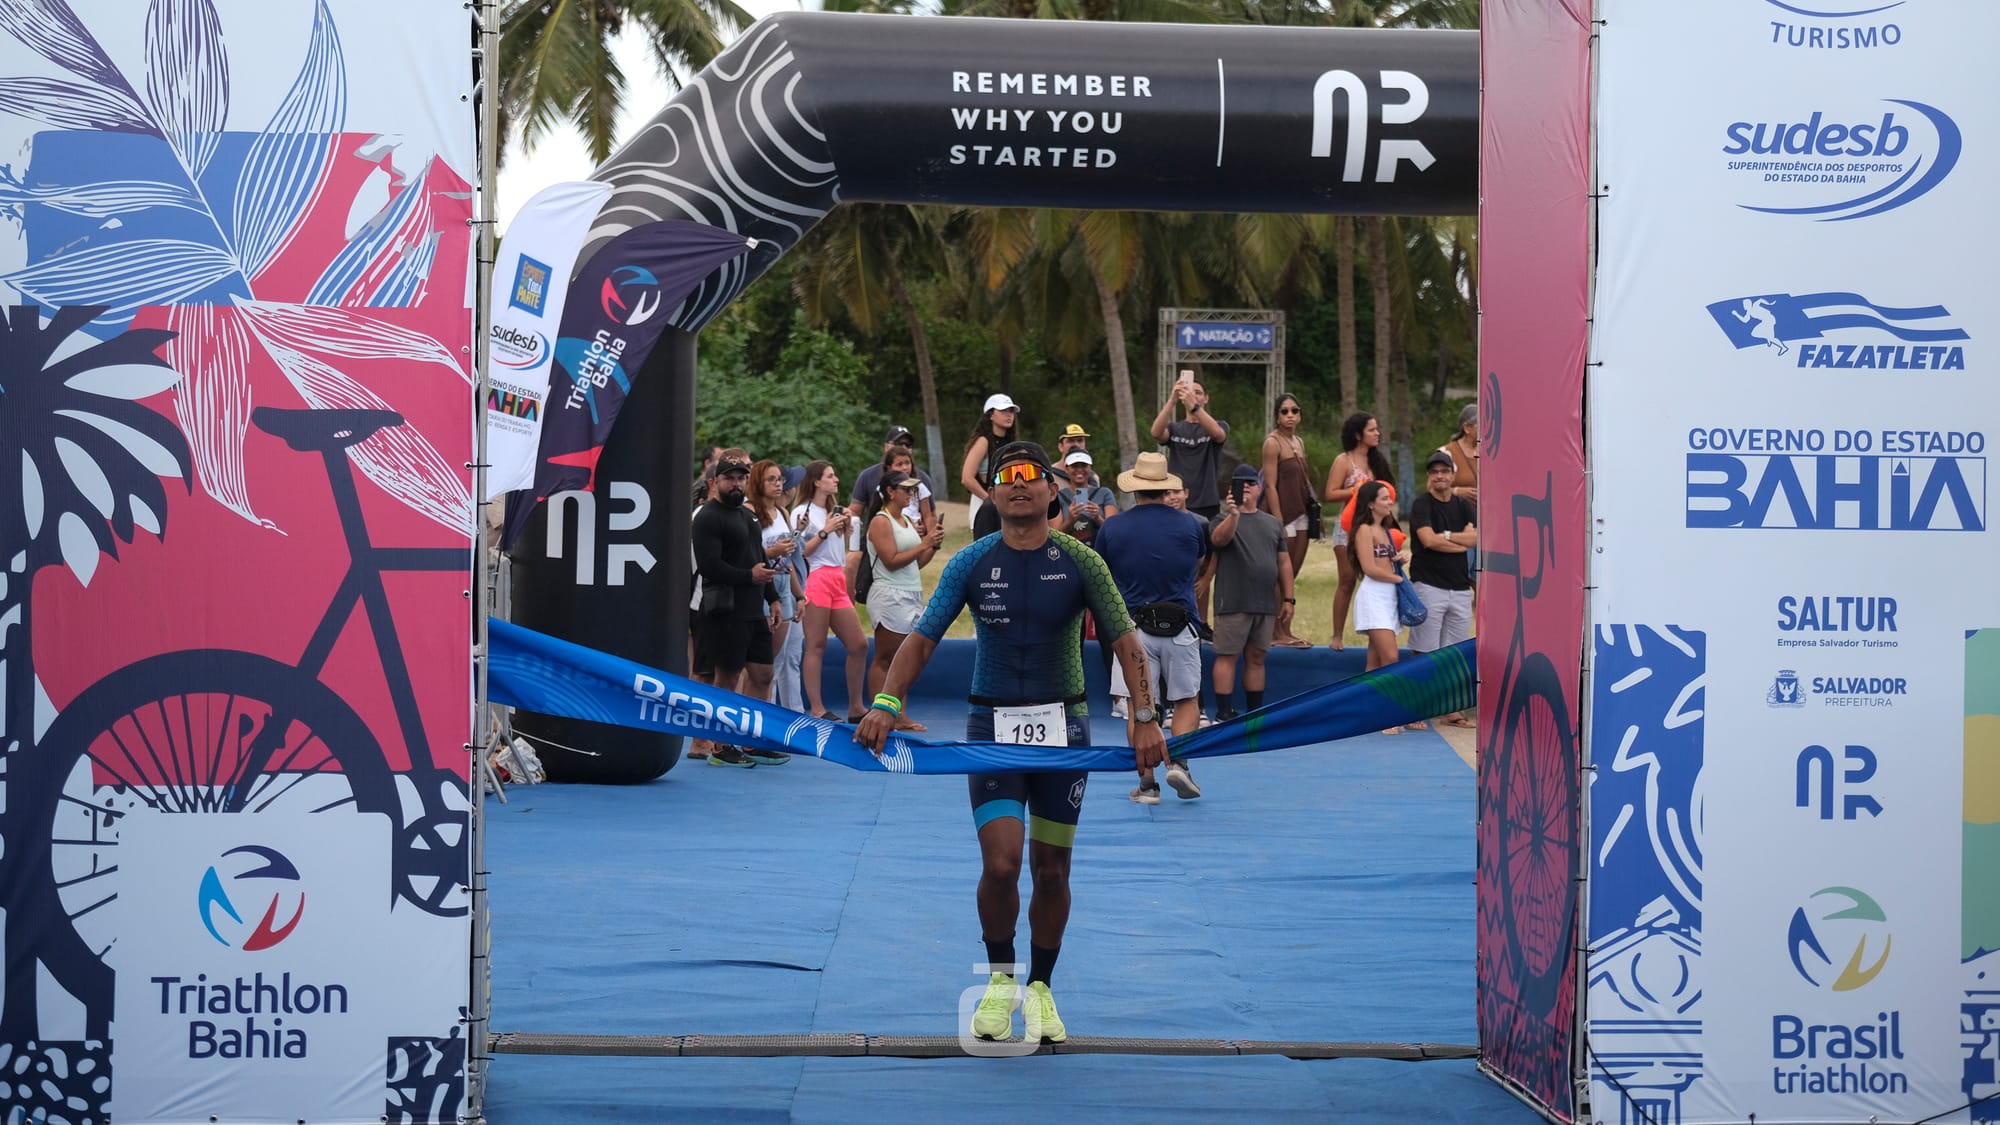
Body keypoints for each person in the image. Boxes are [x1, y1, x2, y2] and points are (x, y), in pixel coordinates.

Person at [855, 441, 1167, 1046]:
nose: (1018, 483)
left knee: (1051, 871)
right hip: (991, 729)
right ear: (991, 494)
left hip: (1064, 731)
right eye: (1005, 476)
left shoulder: (1081, 561)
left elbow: (1126, 641)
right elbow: (922, 639)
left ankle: (1042, 988)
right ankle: (1001, 980)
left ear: (1052, 490)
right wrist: (887, 703)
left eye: (1030, 475)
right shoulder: (971, 562)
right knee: (1000, 865)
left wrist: (1147, 716)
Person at [1092, 451, 1209, 804]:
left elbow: (1102, 570)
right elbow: (1200, 560)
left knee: (1137, 706)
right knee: (1186, 699)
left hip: (1132, 628)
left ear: (1134, 489)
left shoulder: (1113, 527)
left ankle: (1147, 783)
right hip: (1181, 624)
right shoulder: (1190, 525)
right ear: (1165, 488)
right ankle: (1181, 764)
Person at [690, 456, 788, 767]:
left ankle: (752, 741)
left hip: (753, 607)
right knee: (727, 677)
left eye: (741, 478)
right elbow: (709, 566)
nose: (736, 484)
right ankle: (720, 746)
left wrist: (773, 598)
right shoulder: (707, 517)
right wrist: (749, 577)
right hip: (724, 609)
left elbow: (758, 557)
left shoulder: (748, 516)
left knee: (763, 674)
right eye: (729, 478)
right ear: (714, 482)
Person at [1207, 465, 1294, 722]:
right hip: (1232, 601)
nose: (1245, 487)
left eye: (1250, 483)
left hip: (1265, 602)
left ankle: (1255, 711)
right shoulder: (1220, 519)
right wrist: (1234, 514)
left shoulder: (1272, 523)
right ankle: (1224, 711)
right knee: (1228, 655)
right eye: (1239, 483)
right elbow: (1219, 540)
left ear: (1260, 488)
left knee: (1257, 657)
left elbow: (1284, 562)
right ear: (1230, 489)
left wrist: (1288, 598)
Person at [863, 470, 946, 732]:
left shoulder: (907, 520)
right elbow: (891, 560)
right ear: (890, 492)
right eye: (906, 489)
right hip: (889, 594)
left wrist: (932, 546)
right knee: (886, 657)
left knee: (902, 658)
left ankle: (899, 714)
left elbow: (915, 563)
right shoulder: (881, 521)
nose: (911, 494)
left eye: (912, 490)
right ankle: (882, 713)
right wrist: (924, 543)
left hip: (910, 592)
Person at [791, 460, 869, 722]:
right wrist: (825, 531)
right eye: (830, 476)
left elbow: (846, 546)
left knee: (858, 645)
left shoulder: (835, 511)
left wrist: (847, 526)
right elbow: (800, 551)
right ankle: (817, 708)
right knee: (816, 644)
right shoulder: (802, 512)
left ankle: (856, 707)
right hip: (816, 576)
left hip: (837, 576)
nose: (835, 480)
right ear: (816, 482)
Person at [1407, 450, 1478, 728]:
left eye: (1444, 471)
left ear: (1452, 474)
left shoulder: (1463, 506)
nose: (1440, 476)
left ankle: (1451, 709)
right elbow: (1428, 540)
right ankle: (1418, 708)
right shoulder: (1421, 505)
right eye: (1435, 472)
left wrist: (1447, 536)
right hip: (1429, 585)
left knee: (1454, 653)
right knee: (1424, 650)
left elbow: (1476, 539)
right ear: (1429, 476)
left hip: (1459, 588)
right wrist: (1459, 543)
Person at [1324, 412, 1394, 652]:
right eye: (1371, 430)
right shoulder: (1343, 461)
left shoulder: (1378, 462)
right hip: (1347, 528)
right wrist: (1356, 490)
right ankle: (1337, 635)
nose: (1377, 433)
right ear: (1358, 435)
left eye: (1377, 429)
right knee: (1347, 580)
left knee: (1375, 578)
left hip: (1374, 530)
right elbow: (1331, 493)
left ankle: (1377, 633)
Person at [1349, 480, 1414, 733]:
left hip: (1388, 597)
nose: (1390, 502)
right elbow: (1369, 568)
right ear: (1371, 504)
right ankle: (1389, 714)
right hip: (1374, 597)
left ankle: (1369, 713)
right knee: (1391, 657)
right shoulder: (1364, 530)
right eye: (1384, 498)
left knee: (1375, 660)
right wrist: (1398, 579)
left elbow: (1383, 562)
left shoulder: (1385, 529)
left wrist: (1399, 560)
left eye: (1390, 497)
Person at [750, 458, 808, 713]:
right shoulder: (750, 512)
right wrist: (773, 551)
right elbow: (746, 554)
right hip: (764, 584)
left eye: (780, 480)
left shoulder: (782, 513)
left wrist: (799, 596)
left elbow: (789, 559)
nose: (778, 484)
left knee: (775, 660)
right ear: (758, 483)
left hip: (784, 584)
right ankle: (758, 714)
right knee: (760, 665)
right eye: (771, 480)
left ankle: (771, 714)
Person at [1260, 394, 1315, 648]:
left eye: (1295, 410)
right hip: (1283, 513)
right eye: (1284, 411)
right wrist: (1278, 521)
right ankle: (1275, 632)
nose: (1290, 415)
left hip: (1302, 511)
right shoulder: (1272, 443)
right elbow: (1270, 485)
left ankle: (1286, 629)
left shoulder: (1298, 442)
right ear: (1276, 416)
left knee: (1293, 573)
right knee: (1280, 573)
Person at [1151, 374, 1229, 519]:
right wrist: (1172, 400)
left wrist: (1194, 406)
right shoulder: (1174, 428)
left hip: (1206, 501)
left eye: (1198, 393)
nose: (1192, 395)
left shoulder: (1218, 425)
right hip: (1176, 500)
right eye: (1189, 392)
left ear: (1206, 398)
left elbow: (1218, 435)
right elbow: (1156, 433)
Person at [960, 393, 1021, 538]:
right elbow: (967, 478)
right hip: (984, 503)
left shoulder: (1012, 444)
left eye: (1011, 411)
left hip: (1005, 502)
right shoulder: (983, 441)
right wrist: (989, 499)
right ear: (991, 415)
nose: (1009, 415)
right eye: (1003, 411)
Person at [851, 425, 939, 516]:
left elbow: (931, 516)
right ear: (886, 447)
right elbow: (854, 511)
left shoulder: (922, 479)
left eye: (908, 444)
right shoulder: (868, 476)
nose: (904, 447)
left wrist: (924, 524)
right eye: (899, 443)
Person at [1053, 450, 1117, 545]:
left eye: (1083, 465)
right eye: (1074, 466)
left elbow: (1113, 531)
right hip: (1070, 550)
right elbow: (1055, 537)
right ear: (1066, 469)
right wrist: (1070, 520)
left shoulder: (1104, 493)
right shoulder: (1058, 497)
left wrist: (1097, 517)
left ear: (1090, 468)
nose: (1079, 469)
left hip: (1098, 550)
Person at [1440, 404, 1479, 506]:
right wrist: (1456, 492)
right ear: (1467, 428)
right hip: (1455, 513)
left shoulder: (1490, 453)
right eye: (1482, 425)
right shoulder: (1446, 453)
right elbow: (1432, 489)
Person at [1055, 422, 1101, 487]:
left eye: (1080, 440)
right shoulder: (1051, 476)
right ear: (1060, 447)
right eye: (1070, 441)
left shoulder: (1093, 478)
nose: (1076, 445)